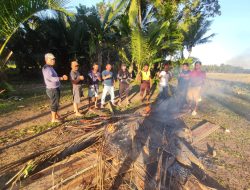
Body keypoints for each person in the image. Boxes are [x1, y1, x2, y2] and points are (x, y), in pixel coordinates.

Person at [42, 53, 68, 123]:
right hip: (52, 89)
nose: (53, 60)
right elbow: (50, 78)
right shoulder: (46, 68)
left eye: (54, 59)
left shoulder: (50, 67)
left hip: (54, 88)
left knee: (55, 102)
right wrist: (61, 78)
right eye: (52, 59)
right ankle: (53, 119)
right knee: (55, 104)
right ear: (47, 60)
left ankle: (55, 115)